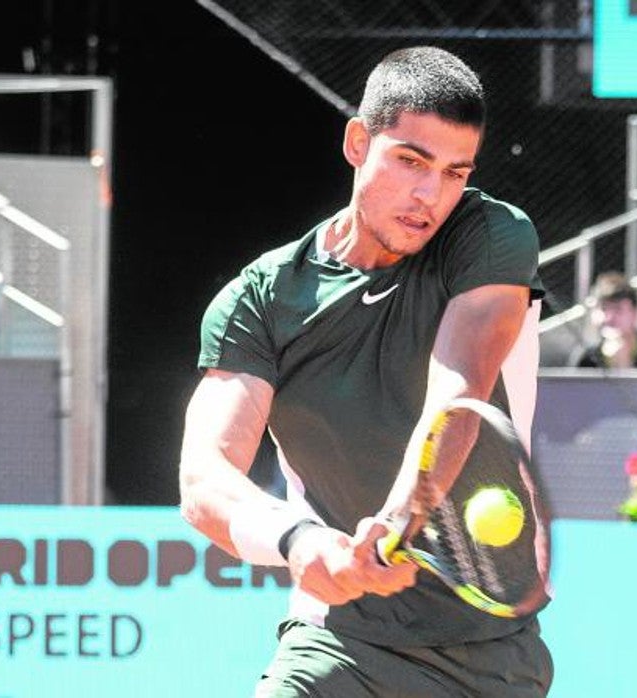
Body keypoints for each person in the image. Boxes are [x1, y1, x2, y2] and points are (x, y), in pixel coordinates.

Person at [177, 47, 550, 696]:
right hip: (340, 641)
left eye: (454, 172)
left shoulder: (491, 236)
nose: (430, 195)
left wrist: (399, 517)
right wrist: (297, 541)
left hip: (492, 658)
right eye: (410, 161)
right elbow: (204, 478)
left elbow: (457, 392)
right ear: (357, 142)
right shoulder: (262, 300)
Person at [571, 271, 637, 369]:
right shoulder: (586, 359)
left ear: (635, 314)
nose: (609, 317)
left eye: (618, 309)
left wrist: (624, 364)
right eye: (603, 308)